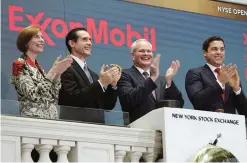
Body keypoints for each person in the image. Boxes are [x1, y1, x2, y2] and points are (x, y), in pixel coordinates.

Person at [58, 28, 121, 122]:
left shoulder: (94, 76)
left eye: (90, 40)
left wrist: (113, 85)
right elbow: (72, 100)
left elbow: (107, 107)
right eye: (84, 39)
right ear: (72, 43)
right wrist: (101, 83)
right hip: (75, 128)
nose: (89, 43)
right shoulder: (64, 68)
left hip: (97, 129)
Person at [11, 25, 72, 119]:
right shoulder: (19, 66)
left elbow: (54, 96)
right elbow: (34, 96)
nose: (42, 40)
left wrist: (58, 74)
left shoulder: (40, 70)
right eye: (37, 37)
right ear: (26, 43)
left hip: (49, 121)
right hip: (33, 121)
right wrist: (53, 70)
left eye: (42, 37)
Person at [117, 39, 184, 123]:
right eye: (141, 51)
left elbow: (179, 104)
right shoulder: (124, 74)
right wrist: (152, 78)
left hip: (163, 128)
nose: (146, 54)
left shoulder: (162, 80)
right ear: (133, 56)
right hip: (138, 129)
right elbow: (128, 101)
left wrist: (169, 81)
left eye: (149, 51)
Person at [185, 36, 247, 115]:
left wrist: (237, 89)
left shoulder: (230, 75)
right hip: (206, 125)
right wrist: (220, 82)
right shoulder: (195, 73)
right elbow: (197, 100)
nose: (219, 52)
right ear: (205, 53)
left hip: (230, 126)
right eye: (214, 49)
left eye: (222, 49)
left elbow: (244, 112)